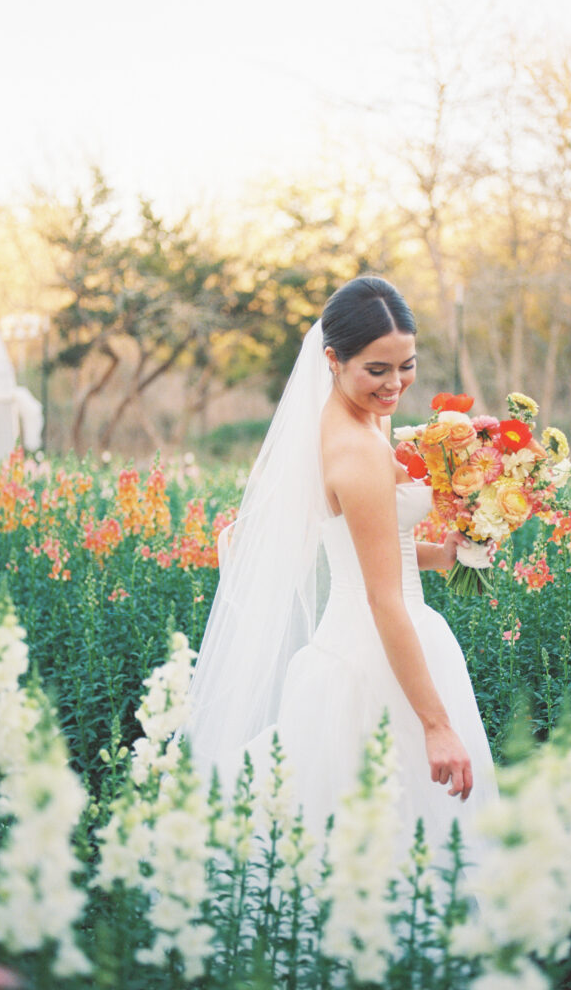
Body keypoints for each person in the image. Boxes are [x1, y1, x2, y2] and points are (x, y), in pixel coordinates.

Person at [182, 276, 497, 853]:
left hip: (389, 634)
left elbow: (366, 544)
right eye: (376, 370)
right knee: (380, 839)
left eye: (406, 365)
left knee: (388, 836)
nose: (395, 384)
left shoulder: (362, 419)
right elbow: (382, 597)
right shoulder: (353, 451)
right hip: (374, 654)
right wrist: (435, 724)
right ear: (333, 358)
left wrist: (444, 553)